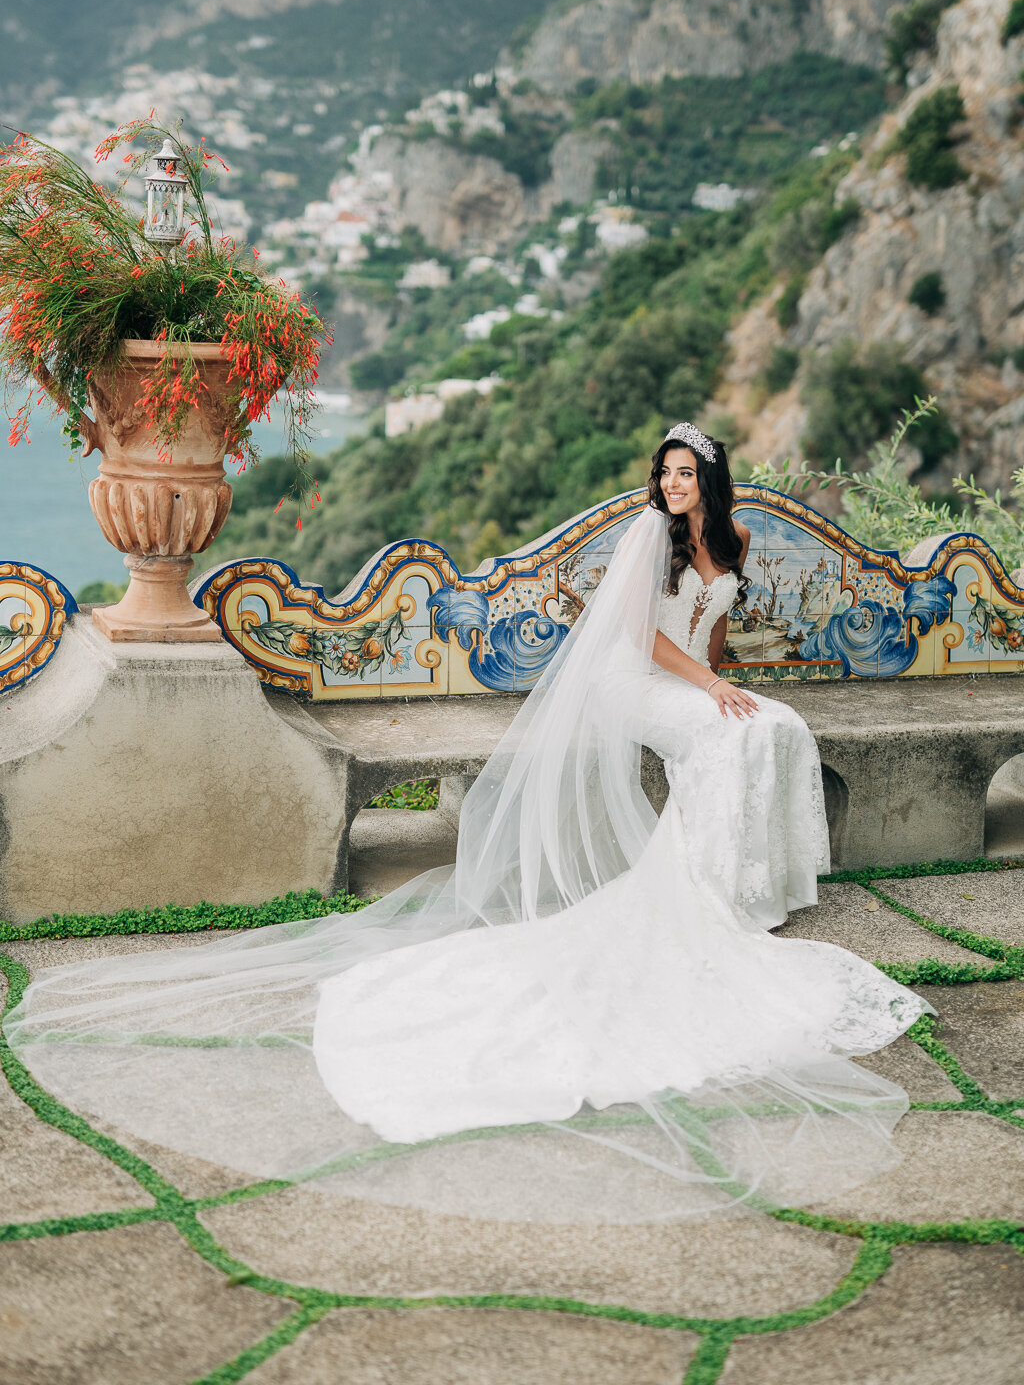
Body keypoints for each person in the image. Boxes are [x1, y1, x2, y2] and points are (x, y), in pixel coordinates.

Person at [6, 423, 929, 1225]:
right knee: (728, 739)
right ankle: (707, 890)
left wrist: (731, 682)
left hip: (691, 678)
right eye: (666, 472)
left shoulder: (730, 541)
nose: (671, 485)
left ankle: (753, 878)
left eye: (686, 474)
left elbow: (710, 636)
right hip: (635, 683)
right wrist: (712, 689)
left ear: (710, 482)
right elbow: (646, 642)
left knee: (779, 727)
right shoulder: (653, 538)